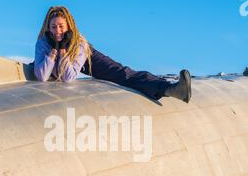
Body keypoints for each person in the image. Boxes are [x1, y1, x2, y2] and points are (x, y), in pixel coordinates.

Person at [34, 6, 191, 103]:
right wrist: (54, 51)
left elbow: (69, 77)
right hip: (58, 56)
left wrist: (63, 51)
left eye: (61, 26)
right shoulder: (43, 42)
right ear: (48, 28)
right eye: (53, 27)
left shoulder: (79, 43)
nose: (57, 31)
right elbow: (42, 76)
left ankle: (170, 89)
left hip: (85, 58)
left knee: (123, 74)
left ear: (69, 26)